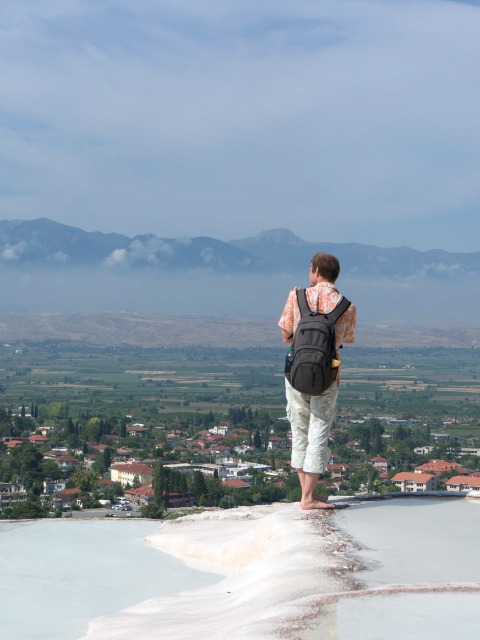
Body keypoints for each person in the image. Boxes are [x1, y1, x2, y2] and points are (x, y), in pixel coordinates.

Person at [278, 253, 356, 510]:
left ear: (315, 270)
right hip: (328, 376)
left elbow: (286, 335)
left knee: (299, 431)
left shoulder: (297, 296)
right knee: (319, 431)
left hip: (296, 374)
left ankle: (306, 495)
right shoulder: (347, 306)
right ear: (335, 275)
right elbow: (343, 342)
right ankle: (309, 497)